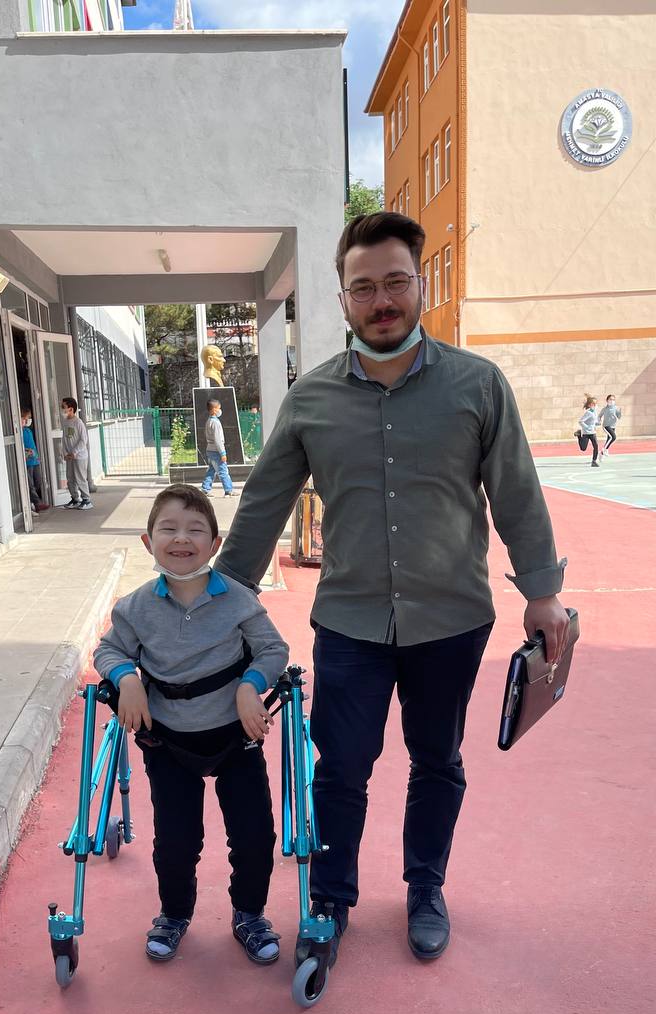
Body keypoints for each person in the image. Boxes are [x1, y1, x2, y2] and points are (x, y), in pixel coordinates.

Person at [214, 212, 569, 966]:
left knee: (437, 760)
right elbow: (264, 504)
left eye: (396, 282)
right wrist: (223, 601)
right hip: (350, 624)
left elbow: (517, 493)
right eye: (364, 287)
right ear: (343, 298)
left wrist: (541, 592)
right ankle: (331, 900)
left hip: (452, 620)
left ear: (420, 283)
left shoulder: (478, 385)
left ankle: (425, 887)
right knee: (341, 766)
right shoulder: (311, 398)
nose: (382, 301)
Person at [93, 485, 289, 964]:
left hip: (236, 736)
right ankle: (174, 914)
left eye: (195, 530)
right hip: (168, 741)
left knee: (254, 835)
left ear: (214, 544)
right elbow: (109, 650)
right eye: (169, 529)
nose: (181, 539)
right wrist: (126, 678)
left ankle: (249, 914)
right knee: (177, 841)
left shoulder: (239, 600)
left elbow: (273, 649)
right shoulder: (134, 607)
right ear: (148, 542)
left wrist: (250, 686)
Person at [60, 397, 92, 510]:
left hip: (80, 456)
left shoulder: (78, 422)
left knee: (80, 478)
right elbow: (64, 439)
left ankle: (86, 500)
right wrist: (65, 453)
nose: (62, 409)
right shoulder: (65, 422)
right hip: (69, 456)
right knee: (70, 478)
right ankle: (75, 499)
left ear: (71, 409)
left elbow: (84, 440)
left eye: (63, 407)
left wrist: (75, 452)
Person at [200, 397, 233, 497]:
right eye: (219, 408)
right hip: (216, 451)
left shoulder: (209, 421)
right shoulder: (215, 422)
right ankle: (228, 490)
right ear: (214, 410)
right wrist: (222, 453)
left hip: (210, 450)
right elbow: (218, 439)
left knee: (211, 470)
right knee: (223, 470)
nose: (220, 410)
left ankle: (205, 489)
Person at [21, 409, 48, 512]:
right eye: (25, 418)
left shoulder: (28, 431)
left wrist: (36, 455)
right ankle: (37, 503)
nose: (27, 420)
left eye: (28, 418)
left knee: (38, 481)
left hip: (34, 460)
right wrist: (26, 451)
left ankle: (33, 500)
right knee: (30, 484)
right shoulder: (19, 432)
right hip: (27, 462)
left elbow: (33, 445)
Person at [575, 395, 600, 466]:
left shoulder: (595, 412)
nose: (595, 405)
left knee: (596, 446)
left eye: (596, 403)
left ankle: (594, 461)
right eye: (593, 404)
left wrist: (597, 423)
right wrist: (587, 427)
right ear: (589, 405)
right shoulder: (588, 413)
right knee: (583, 448)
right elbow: (581, 421)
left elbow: (593, 421)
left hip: (593, 432)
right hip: (586, 432)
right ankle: (579, 435)